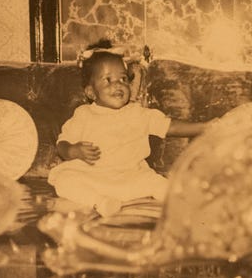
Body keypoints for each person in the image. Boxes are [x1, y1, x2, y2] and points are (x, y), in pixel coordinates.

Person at [48, 40, 213, 217]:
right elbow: (62, 145)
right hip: (94, 177)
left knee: (159, 184)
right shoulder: (83, 114)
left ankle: (191, 205)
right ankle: (100, 202)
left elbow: (169, 126)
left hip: (131, 177)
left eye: (123, 79)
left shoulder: (138, 113)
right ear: (91, 92)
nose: (118, 84)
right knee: (65, 181)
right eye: (108, 80)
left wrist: (205, 128)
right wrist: (73, 150)